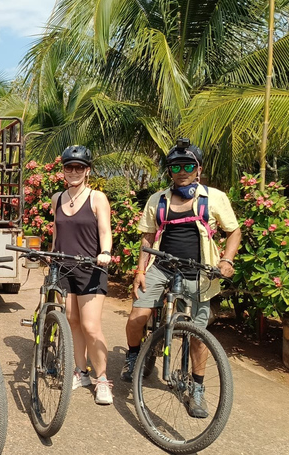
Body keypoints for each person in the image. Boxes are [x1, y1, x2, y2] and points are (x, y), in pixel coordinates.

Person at [120, 138, 240, 418]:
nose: (182, 171)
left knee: (198, 335)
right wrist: (140, 271)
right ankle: (134, 354)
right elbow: (148, 237)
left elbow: (233, 231)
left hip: (199, 272)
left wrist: (227, 259)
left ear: (198, 169)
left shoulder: (214, 198)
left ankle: (197, 388)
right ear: (169, 171)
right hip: (161, 267)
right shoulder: (158, 200)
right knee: (137, 316)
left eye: (188, 165)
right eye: (175, 166)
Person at [51, 145, 114, 405]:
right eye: (69, 167)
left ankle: (103, 379)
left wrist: (106, 252)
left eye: (79, 167)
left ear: (87, 171)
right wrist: (51, 257)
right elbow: (57, 233)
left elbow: (105, 231)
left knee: (91, 326)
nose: (74, 172)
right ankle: (81, 371)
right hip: (64, 267)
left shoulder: (97, 198)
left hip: (90, 268)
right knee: (72, 321)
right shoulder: (57, 198)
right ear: (63, 170)